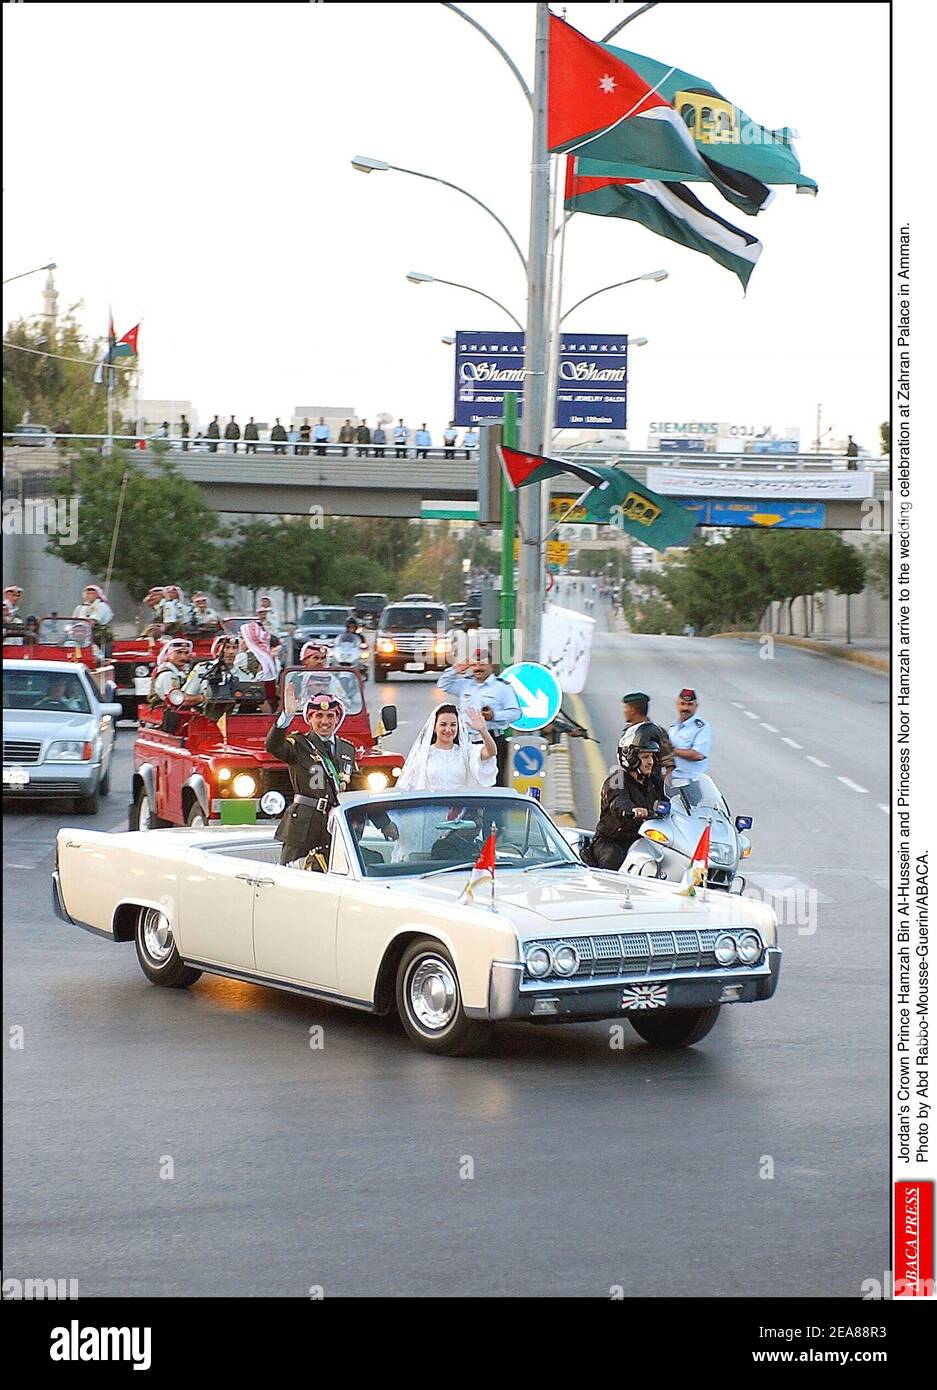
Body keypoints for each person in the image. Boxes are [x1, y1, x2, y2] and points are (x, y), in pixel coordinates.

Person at [265, 692, 398, 867]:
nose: (325, 722)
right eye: (318, 716)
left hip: (335, 825)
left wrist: (384, 823)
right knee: (292, 877)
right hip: (303, 827)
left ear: (337, 719)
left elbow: (360, 790)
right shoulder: (298, 744)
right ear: (310, 718)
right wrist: (287, 717)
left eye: (330, 716)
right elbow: (272, 746)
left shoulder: (347, 748)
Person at [437, 650, 522, 783]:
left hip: (491, 739)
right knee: (463, 779)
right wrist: (456, 669)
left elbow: (515, 713)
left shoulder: (502, 687)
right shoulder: (465, 684)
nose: (478, 669)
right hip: (466, 740)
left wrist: (494, 715)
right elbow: (443, 684)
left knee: (491, 781)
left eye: (482, 665)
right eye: (475, 665)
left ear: (491, 666)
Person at [588, 728, 666, 870]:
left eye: (652, 757)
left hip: (644, 841)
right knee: (612, 859)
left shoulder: (654, 782)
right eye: (645, 757)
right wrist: (633, 810)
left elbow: (669, 799)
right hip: (612, 842)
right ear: (631, 758)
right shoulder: (617, 779)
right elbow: (618, 803)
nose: (651, 762)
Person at [397, 703, 497, 792]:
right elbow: (407, 786)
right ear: (435, 727)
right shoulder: (422, 754)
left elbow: (491, 752)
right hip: (431, 809)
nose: (448, 730)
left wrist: (482, 730)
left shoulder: (466, 752)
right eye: (443, 725)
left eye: (453, 725)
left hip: (460, 809)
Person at [621, 691, 675, 775]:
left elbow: (669, 762)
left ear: (633, 710)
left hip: (650, 784)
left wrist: (664, 783)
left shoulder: (656, 732)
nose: (624, 711)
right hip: (630, 783)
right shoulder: (628, 732)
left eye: (626, 708)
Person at [667, 687, 713, 781]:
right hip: (672, 779)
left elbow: (698, 755)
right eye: (682, 704)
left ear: (696, 706)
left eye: (690, 704)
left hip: (691, 781)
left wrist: (671, 751)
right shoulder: (674, 727)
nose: (685, 708)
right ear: (677, 704)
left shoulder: (701, 727)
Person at [148, 639, 207, 709]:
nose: (183, 657)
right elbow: (179, 700)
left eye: (186, 653)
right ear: (168, 654)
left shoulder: (177, 673)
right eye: (178, 652)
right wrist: (203, 697)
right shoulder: (168, 675)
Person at [72, 584, 114, 648]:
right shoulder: (81, 607)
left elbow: (92, 622)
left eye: (91, 594)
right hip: (81, 634)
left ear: (97, 595)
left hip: (98, 637)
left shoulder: (100, 606)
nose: (88, 596)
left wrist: (80, 630)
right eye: (87, 593)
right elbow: (73, 621)